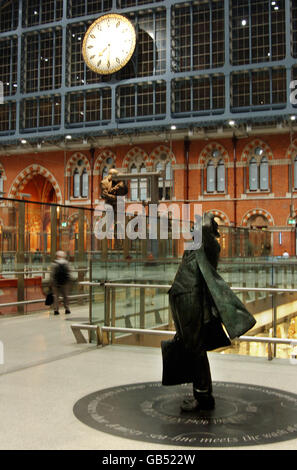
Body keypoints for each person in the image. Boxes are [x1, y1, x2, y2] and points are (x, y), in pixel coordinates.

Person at [165, 213, 256, 412]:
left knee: (195, 350)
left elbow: (205, 225)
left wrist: (206, 217)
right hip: (185, 300)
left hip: (193, 301)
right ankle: (202, 393)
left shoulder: (210, 246)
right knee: (191, 348)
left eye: (195, 227)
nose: (192, 229)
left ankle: (203, 395)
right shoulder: (196, 248)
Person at [50, 251, 72, 315]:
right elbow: (69, 272)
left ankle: (56, 310)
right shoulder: (67, 263)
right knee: (65, 296)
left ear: (57, 256)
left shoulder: (54, 263)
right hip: (65, 282)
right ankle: (67, 309)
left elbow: (52, 273)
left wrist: (51, 282)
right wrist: (69, 281)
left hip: (56, 283)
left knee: (56, 296)